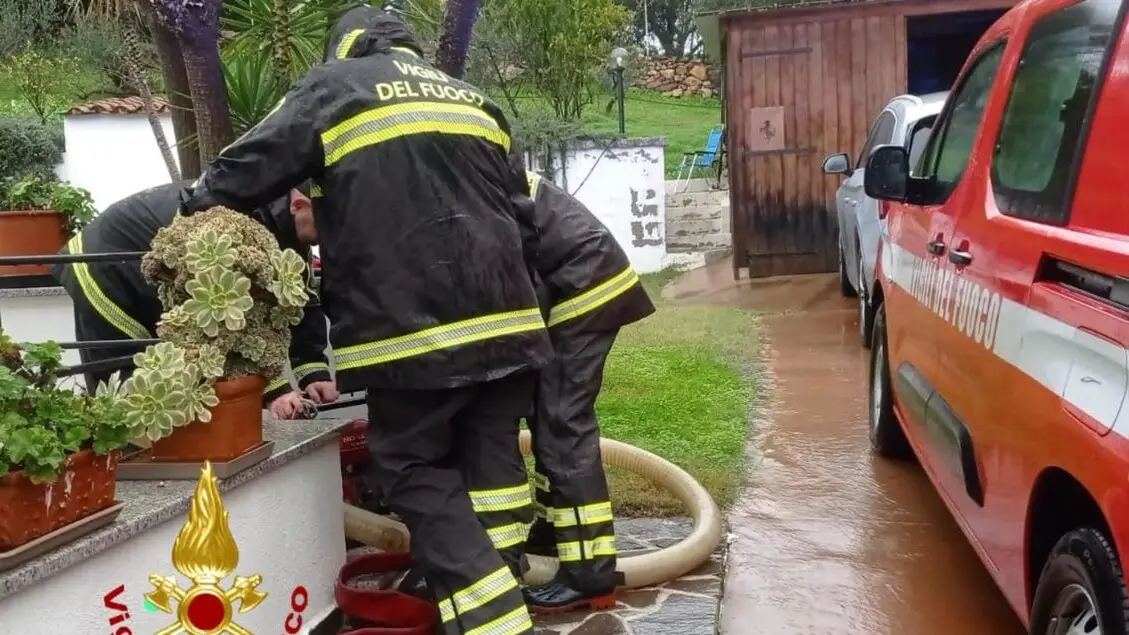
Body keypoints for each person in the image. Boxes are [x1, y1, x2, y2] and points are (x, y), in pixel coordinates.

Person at [176, 8, 553, 635]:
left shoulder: (335, 87)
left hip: (412, 335)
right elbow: (524, 218)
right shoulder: (475, 100)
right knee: (493, 469)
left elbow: (247, 166)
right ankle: (492, 584)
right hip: (509, 325)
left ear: (343, 49)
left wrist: (193, 206)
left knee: (407, 465)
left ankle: (496, 618)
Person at [52, 182, 338, 418]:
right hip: (102, 263)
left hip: (151, 267)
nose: (330, 234)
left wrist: (314, 373)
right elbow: (229, 318)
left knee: (167, 367)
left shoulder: (287, 228)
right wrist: (274, 390)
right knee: (125, 378)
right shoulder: (241, 219)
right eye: (326, 222)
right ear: (298, 204)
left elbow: (300, 297)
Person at [517, 171, 655, 613]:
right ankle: (552, 530)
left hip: (584, 282)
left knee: (561, 424)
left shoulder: (465, 177)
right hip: (577, 276)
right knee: (545, 414)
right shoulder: (473, 163)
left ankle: (588, 574)